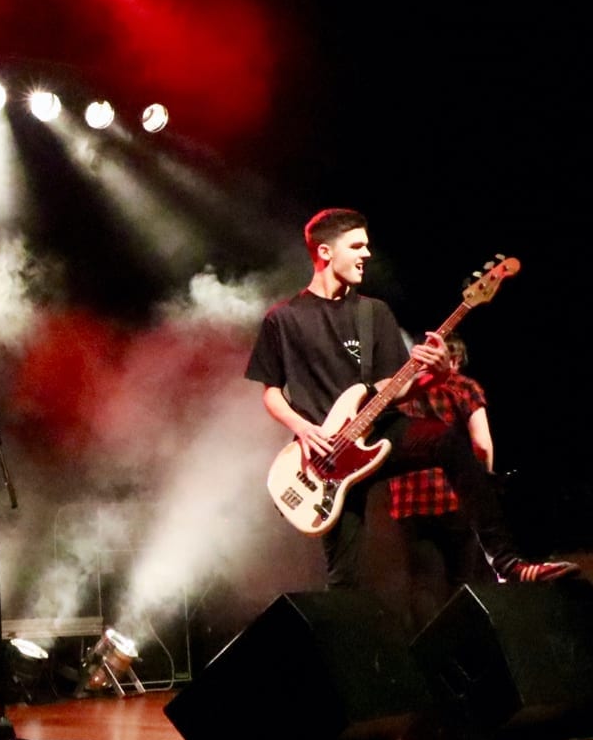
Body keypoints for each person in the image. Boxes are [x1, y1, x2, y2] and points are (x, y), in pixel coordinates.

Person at [245, 208, 575, 602]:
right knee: (343, 578)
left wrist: (435, 376)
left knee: (448, 441)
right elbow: (271, 392)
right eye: (357, 246)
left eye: (367, 245)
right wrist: (303, 428)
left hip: (379, 431)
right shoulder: (283, 319)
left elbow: (391, 388)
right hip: (325, 458)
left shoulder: (374, 313)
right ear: (325, 252)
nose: (367, 254)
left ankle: (507, 563)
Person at [387, 336, 501, 631]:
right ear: (455, 360)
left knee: (422, 583)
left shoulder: (401, 391)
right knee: (463, 580)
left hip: (408, 499)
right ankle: (461, 646)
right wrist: (485, 486)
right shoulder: (463, 386)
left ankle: (426, 648)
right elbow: (482, 444)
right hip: (455, 497)